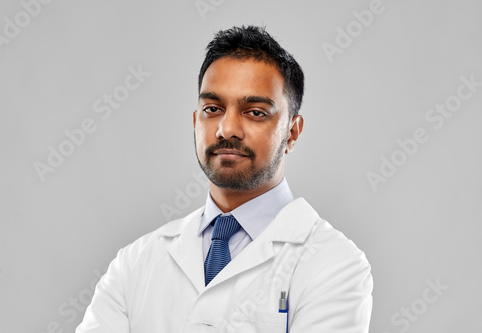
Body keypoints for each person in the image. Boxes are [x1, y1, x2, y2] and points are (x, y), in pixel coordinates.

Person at [76, 25, 373, 333]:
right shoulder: (136, 263)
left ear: (292, 133)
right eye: (213, 109)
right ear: (195, 122)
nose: (227, 128)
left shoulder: (333, 264)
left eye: (255, 112)